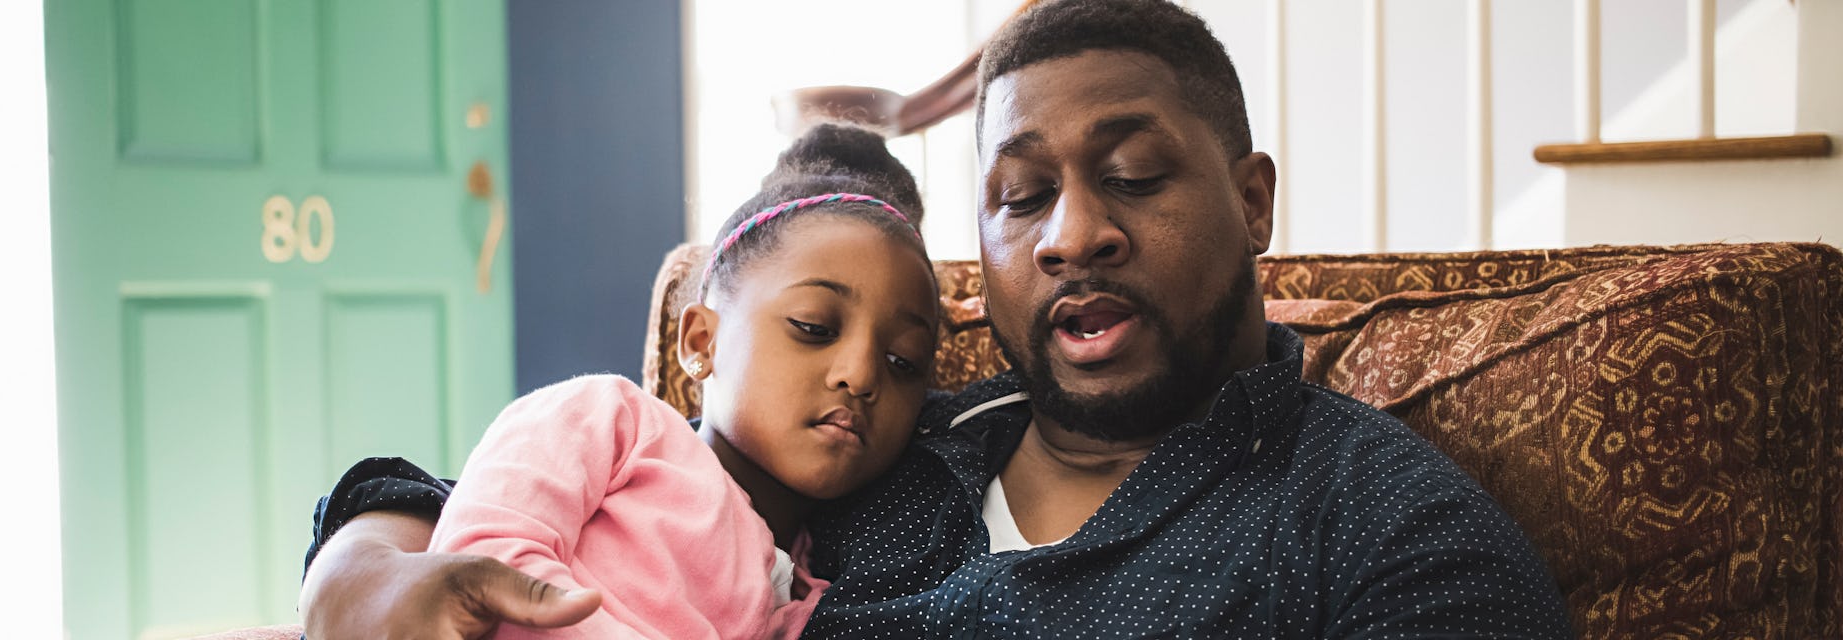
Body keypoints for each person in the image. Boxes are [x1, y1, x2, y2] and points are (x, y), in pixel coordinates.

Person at [298, 1, 1573, 638]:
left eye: (1130, 174)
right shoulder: (901, 441)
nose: (1071, 232)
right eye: (1020, 197)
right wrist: (358, 575)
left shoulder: (1376, 525)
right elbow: (502, 494)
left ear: (1250, 204)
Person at [395, 124, 942, 639]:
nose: (862, 374)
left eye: (903, 361)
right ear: (701, 343)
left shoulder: (812, 589)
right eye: (814, 327)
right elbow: (479, 560)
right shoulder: (613, 421)